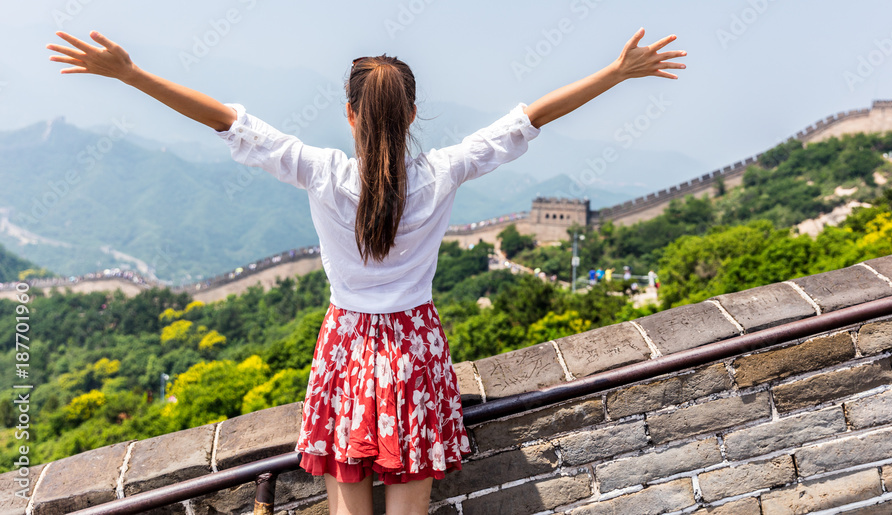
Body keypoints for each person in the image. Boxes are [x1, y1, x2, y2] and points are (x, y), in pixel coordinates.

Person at [46, 27, 685, 515]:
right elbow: (530, 119)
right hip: (415, 349)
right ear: (411, 115)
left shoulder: (321, 173)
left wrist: (129, 74)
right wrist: (617, 72)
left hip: (347, 349)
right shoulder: (443, 173)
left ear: (350, 114)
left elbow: (227, 121)